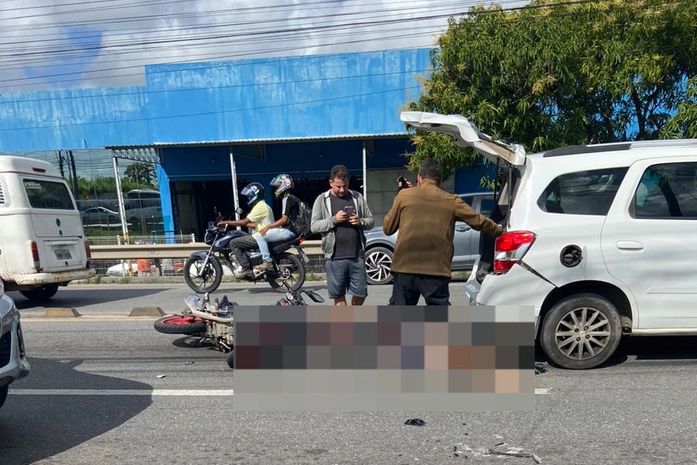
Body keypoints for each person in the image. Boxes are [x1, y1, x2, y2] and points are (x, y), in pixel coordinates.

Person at [383, 158, 503, 305]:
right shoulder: (451, 201)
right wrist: (500, 231)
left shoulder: (404, 196)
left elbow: (388, 228)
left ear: (419, 177)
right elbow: (479, 221)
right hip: (436, 270)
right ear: (439, 181)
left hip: (404, 268)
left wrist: (400, 195)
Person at [311, 165, 374, 306]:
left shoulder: (357, 197)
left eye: (345, 186)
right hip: (334, 257)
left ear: (348, 182)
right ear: (331, 182)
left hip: (357, 256)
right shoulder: (322, 199)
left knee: (361, 294)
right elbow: (314, 226)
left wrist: (360, 221)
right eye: (338, 186)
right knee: (338, 297)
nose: (341, 190)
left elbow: (370, 221)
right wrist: (334, 220)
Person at [218, 182, 274, 278]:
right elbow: (256, 224)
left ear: (255, 195)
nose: (248, 198)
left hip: (260, 237)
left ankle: (246, 268)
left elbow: (244, 221)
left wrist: (226, 222)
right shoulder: (264, 205)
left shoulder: (259, 207)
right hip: (263, 234)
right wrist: (243, 223)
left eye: (249, 196)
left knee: (234, 243)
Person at [252, 174, 300, 271]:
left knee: (260, 236)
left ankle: (267, 261)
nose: (277, 188)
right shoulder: (293, 198)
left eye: (278, 186)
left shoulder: (287, 199)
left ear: (284, 185)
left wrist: (268, 227)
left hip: (290, 231)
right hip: (293, 230)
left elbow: (284, 220)